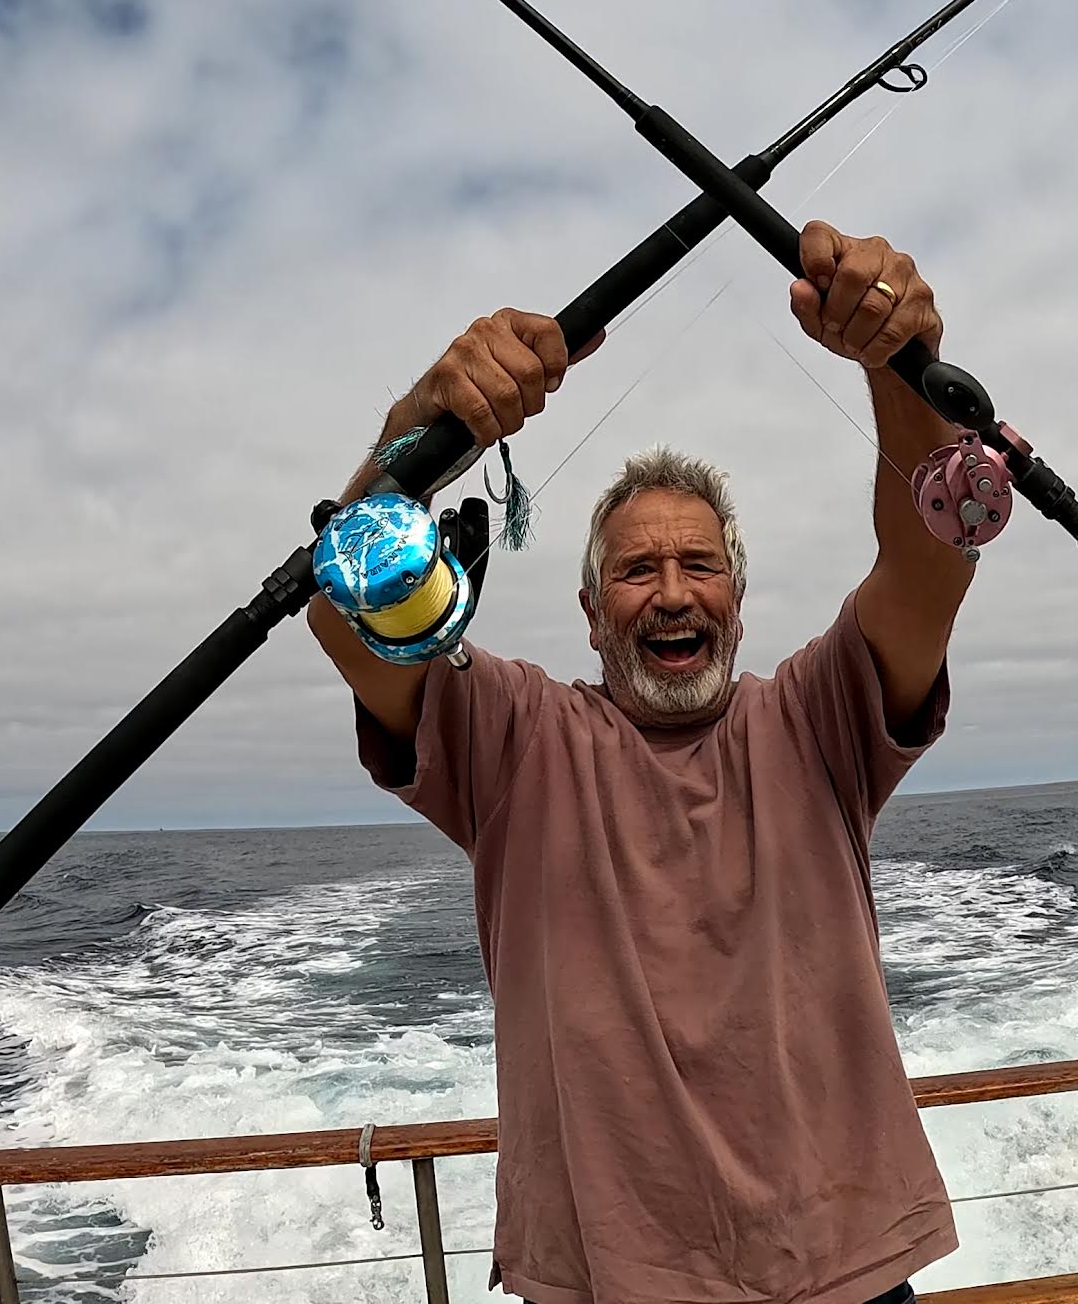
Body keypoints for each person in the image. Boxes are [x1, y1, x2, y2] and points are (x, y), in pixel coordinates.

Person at [309, 221, 976, 1304]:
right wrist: (416, 437)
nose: (671, 591)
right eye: (636, 570)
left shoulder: (822, 716)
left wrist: (899, 362)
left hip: (848, 1279)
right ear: (587, 613)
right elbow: (350, 617)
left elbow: (930, 557)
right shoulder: (516, 738)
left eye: (699, 564)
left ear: (739, 603)